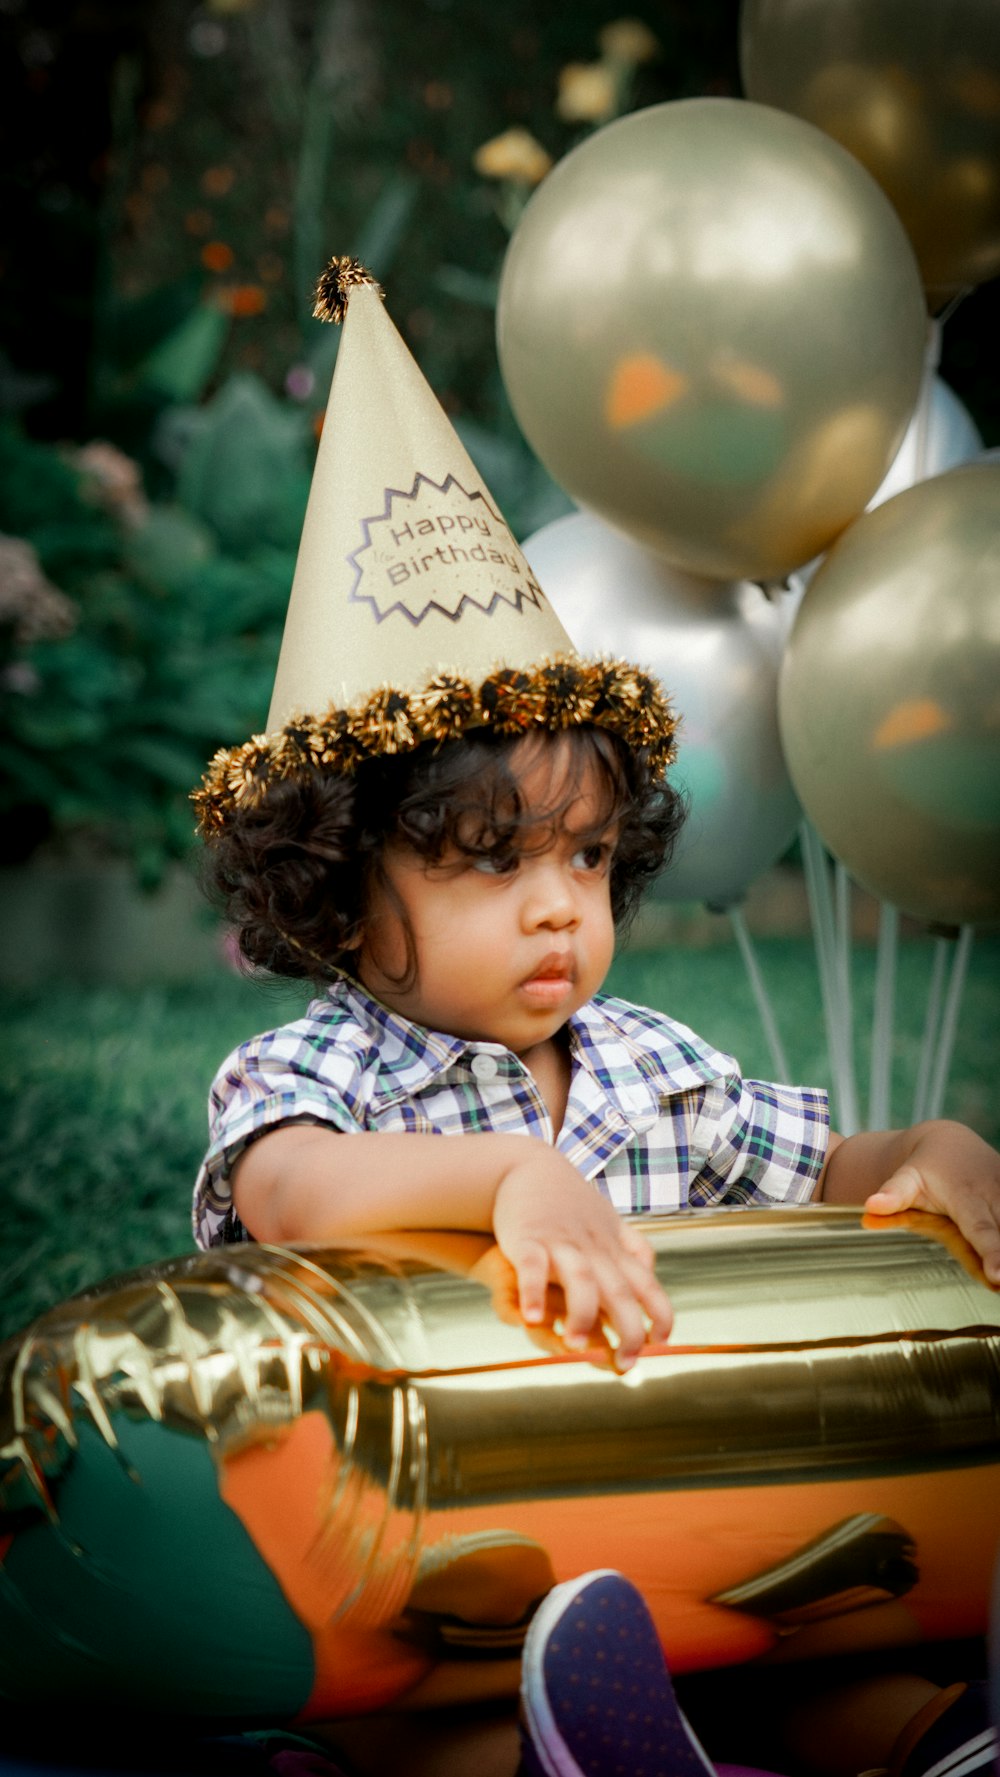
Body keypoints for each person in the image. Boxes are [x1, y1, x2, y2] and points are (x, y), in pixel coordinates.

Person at [190, 259, 999, 1777]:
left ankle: (944, 1742)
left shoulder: (653, 1070)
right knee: (450, 1728)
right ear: (344, 884)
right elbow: (290, 1190)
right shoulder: (326, 1064)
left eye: (584, 854)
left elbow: (823, 1164)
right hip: (434, 1591)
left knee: (827, 1664)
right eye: (491, 860)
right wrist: (501, 1179)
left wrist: (940, 1144)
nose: (560, 904)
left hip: (680, 1551)